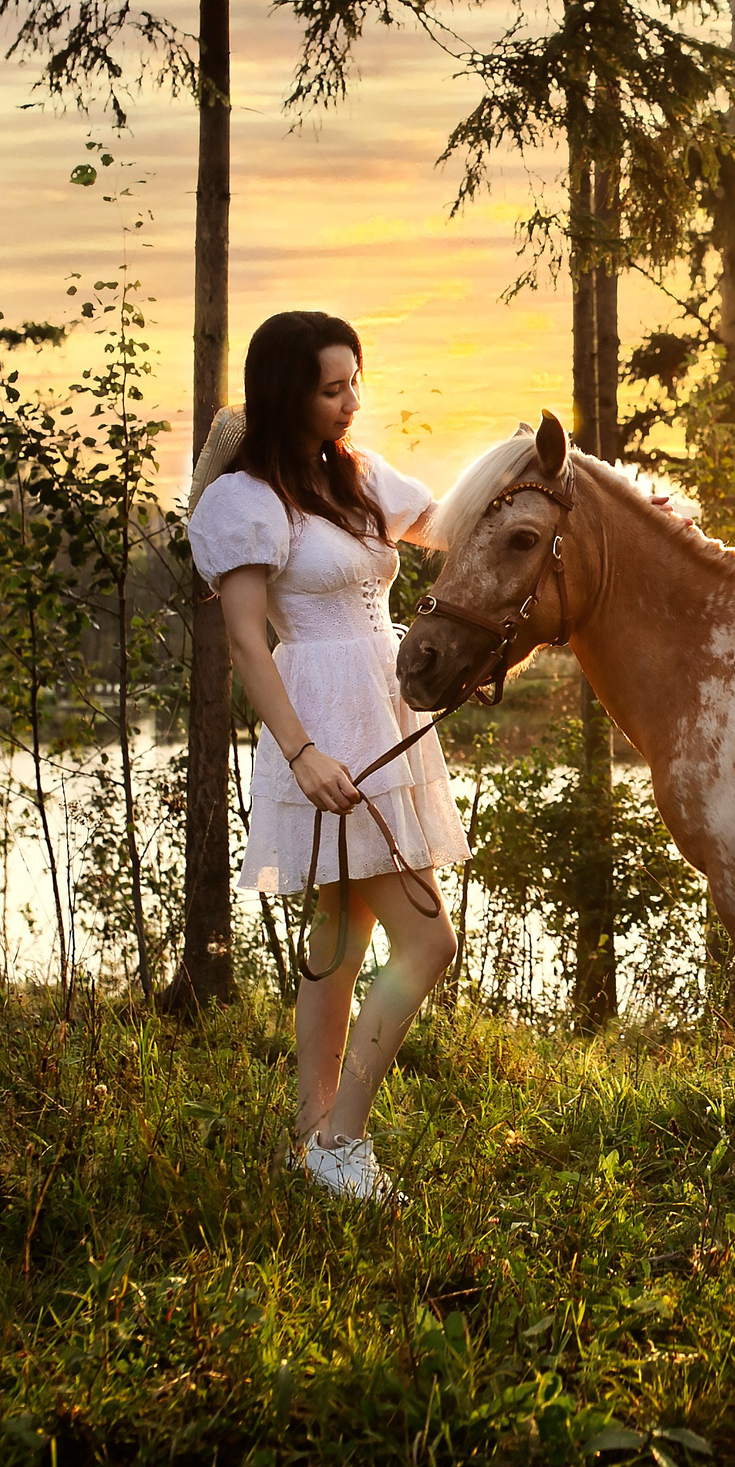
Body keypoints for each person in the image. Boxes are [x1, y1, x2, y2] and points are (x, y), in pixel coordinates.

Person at [185, 310, 469, 1206]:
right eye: (331, 387)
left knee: (340, 942)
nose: (351, 402)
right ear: (286, 392)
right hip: (319, 725)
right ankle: (343, 1143)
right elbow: (243, 642)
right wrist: (300, 751)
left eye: (355, 382)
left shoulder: (356, 478)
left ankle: (310, 1135)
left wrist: (538, 481)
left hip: (382, 709)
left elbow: (449, 524)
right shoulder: (246, 500)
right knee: (428, 938)